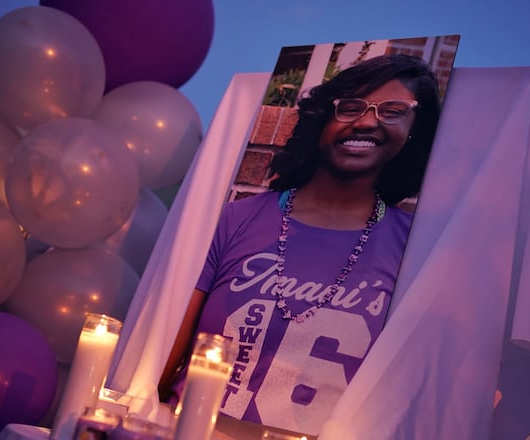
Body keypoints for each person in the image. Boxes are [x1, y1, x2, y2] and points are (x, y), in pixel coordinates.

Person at [158, 53, 441, 436]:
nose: (367, 120)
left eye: (393, 111)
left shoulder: (418, 248)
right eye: (351, 106)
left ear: (414, 133)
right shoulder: (235, 219)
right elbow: (160, 356)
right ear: (322, 118)